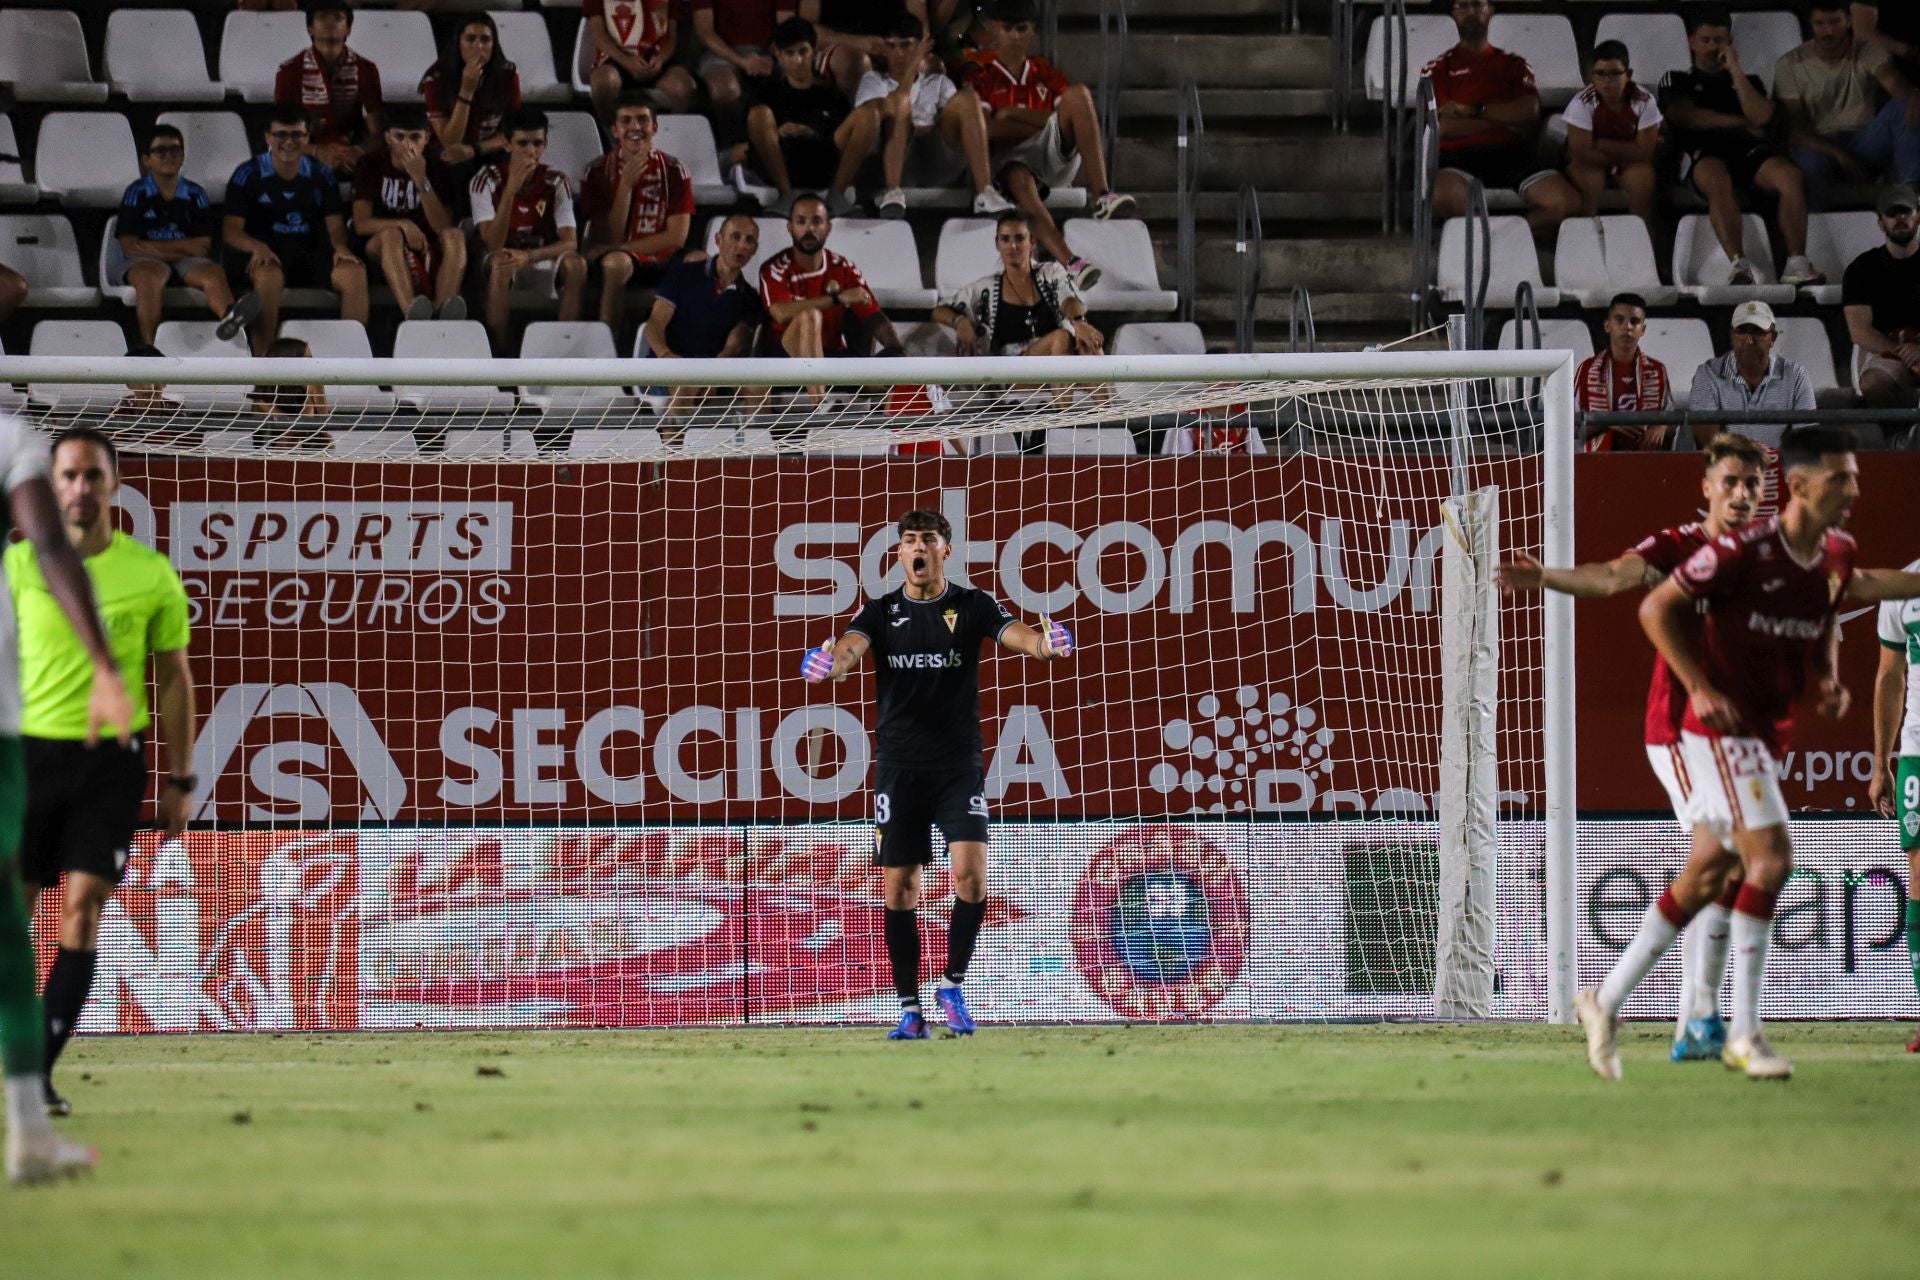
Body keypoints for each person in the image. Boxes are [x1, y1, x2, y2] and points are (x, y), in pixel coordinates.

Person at [1597, 427, 1920, 1080]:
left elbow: (1836, 599)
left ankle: (1617, 1002)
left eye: (1753, 485)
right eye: (1842, 478)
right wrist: (1698, 686)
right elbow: (1640, 595)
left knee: (1718, 871)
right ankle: (1720, 1024)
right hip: (1697, 730)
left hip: (1754, 733)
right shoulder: (1731, 552)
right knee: (1758, 859)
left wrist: (1826, 674)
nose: (1855, 489)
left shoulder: (1820, 555)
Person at [1498, 434, 1769, 1067]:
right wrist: (1547, 578)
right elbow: (1613, 577)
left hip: (1730, 736)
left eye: (1752, 484)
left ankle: (1691, 1018)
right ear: (1706, 486)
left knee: (1722, 867)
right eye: (1728, 481)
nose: (1740, 494)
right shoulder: (1678, 548)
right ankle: (1688, 1013)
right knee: (1721, 855)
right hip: (1676, 731)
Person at [797, 508, 1073, 1038]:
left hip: (956, 765)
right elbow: (850, 648)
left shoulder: (970, 606)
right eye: (907, 541)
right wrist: (828, 663)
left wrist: (1042, 645)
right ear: (899, 554)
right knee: (900, 889)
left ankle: (952, 982)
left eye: (926, 539)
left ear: (945, 550)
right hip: (900, 769)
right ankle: (910, 1007)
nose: (916, 548)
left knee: (970, 877)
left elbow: (1014, 633)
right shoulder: (880, 612)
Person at [10, 428, 194, 1119]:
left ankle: (38, 1075)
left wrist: (182, 779)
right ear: (51, 486)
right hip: (29, 755)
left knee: (83, 909)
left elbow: (174, 678)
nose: (80, 489)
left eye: (92, 476)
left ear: (115, 484)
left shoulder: (150, 574)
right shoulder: (19, 568)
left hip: (110, 765)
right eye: (68, 476)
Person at [0, 411, 134, 1184]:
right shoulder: (12, 443)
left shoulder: (147, 570)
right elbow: (47, 545)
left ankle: (29, 1122)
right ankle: (26, 1133)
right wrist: (103, 662)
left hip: (77, 758)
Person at [953, 0, 1130, 288]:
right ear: (996, 29)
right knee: (1021, 180)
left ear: (1032, 31)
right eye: (1008, 28)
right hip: (1008, 160)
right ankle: (1071, 262)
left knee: (1080, 95)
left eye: (1021, 29)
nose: (1014, 36)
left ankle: (1102, 195)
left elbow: (1070, 116)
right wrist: (1039, 121)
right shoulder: (981, 76)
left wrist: (1015, 112)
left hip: (1049, 153)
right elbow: (988, 130)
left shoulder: (1045, 73)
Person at [1660, 7, 1818, 287]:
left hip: (1747, 153)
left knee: (1789, 176)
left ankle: (1797, 263)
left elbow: (1762, 118)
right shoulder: (1676, 79)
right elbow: (1686, 117)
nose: (1712, 47)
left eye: (1719, 40)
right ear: (1691, 42)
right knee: (1716, 176)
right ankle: (1739, 264)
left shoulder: (1750, 81)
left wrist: (1735, 70)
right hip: (1702, 155)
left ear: (1729, 42)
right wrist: (1739, 121)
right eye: (1706, 40)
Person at [1422, 0, 1580, 236]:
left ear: (1491, 11)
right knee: (1441, 196)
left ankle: (1501, 240)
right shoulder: (1438, 68)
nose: (1471, 12)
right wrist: (1503, 119)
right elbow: (1443, 127)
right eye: (1462, 6)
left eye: (1478, 4)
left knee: (1567, 203)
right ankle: (1489, 243)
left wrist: (1473, 110)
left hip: (1512, 153)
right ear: (1452, 14)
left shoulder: (1513, 64)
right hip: (1459, 157)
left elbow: (1528, 113)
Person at [222, 107, 369, 354]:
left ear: (307, 137)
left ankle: (349, 366)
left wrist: (340, 247)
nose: (289, 142)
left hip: (310, 253)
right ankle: (264, 372)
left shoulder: (322, 174)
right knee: (268, 277)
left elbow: (335, 227)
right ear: (268, 137)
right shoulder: (248, 174)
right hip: (267, 254)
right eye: (281, 135)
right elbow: (231, 232)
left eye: (296, 135)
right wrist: (257, 247)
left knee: (354, 273)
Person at [113, 124, 256, 347]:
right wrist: (181, 247)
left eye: (175, 150)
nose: (168, 155)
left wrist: (156, 248)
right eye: (161, 151)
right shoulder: (136, 192)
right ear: (146, 160)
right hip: (144, 263)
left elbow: (202, 247)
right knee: (150, 276)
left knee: (213, 273)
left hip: (184, 261)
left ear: (182, 157)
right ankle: (151, 349)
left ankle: (233, 324)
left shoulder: (195, 193)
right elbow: (130, 247)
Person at [855, 11, 1008, 219]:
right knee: (899, 103)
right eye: (891, 46)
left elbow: (953, 126)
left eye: (906, 45)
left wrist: (932, 127)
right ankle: (892, 193)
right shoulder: (873, 80)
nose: (898, 54)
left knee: (968, 99)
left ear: (920, 47)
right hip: (893, 157)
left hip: (934, 159)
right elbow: (872, 128)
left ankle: (985, 193)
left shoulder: (937, 82)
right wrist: (911, 70)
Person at [758, 194, 906, 403]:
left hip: (830, 358)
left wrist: (897, 351)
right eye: (801, 222)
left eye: (816, 221)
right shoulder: (775, 268)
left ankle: (895, 433)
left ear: (828, 228)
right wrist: (836, 299)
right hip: (785, 362)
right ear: (790, 228)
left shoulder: (843, 267)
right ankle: (821, 406)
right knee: (809, 317)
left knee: (890, 380)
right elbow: (780, 313)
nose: (809, 229)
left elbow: (873, 316)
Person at [1777, 2, 1920, 211]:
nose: (1828, 31)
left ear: (1849, 22)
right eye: (1820, 23)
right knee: (1807, 158)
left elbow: (1898, 89)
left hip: (1864, 140)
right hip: (1821, 144)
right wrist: (1840, 154)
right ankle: (1821, 224)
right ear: (1811, 25)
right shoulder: (1790, 64)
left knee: (1902, 108)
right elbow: (1796, 131)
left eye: (1835, 22)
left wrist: (1914, 96)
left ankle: (1911, 200)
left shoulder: (1868, 52)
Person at [471, 109, 588, 350]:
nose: (531, 151)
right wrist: (511, 190)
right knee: (500, 263)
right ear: (506, 143)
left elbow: (570, 242)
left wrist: (529, 256)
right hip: (502, 256)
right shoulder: (485, 179)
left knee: (577, 265)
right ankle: (498, 354)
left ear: (545, 144)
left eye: (537, 143)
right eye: (522, 143)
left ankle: (563, 351)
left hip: (539, 255)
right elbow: (492, 243)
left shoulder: (556, 180)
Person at [581, 93, 694, 331]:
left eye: (642, 119)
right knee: (616, 264)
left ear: (654, 127)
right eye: (626, 120)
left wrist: (619, 248)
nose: (635, 127)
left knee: (701, 262)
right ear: (614, 130)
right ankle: (608, 349)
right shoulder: (596, 171)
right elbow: (606, 238)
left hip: (661, 257)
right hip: (619, 259)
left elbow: (676, 237)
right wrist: (625, 187)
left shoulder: (675, 169)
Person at [643, 213, 766, 431]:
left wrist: (715, 376)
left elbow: (733, 345)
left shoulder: (750, 297)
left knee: (760, 387)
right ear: (719, 240)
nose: (741, 246)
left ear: (754, 250)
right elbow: (655, 323)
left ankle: (754, 459)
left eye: (749, 241)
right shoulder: (684, 273)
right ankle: (674, 461)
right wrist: (665, 355)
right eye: (735, 237)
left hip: (714, 369)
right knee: (686, 384)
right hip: (669, 365)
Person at [745, 17, 876, 216]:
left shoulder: (832, 94)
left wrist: (812, 133)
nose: (798, 60)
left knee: (868, 115)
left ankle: (837, 196)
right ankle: (786, 196)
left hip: (822, 163)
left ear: (813, 51)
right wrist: (778, 133)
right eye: (790, 53)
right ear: (778, 55)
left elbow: (840, 140)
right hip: (783, 163)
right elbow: (754, 139)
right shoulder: (767, 93)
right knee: (759, 114)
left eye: (803, 51)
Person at [351, 106, 467, 322]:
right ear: (387, 138)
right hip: (383, 246)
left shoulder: (439, 167)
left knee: (456, 236)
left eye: (415, 137)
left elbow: (443, 227)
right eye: (399, 137)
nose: (407, 144)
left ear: (427, 138)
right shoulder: (370, 164)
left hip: (428, 246)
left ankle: (444, 313)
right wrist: (403, 224)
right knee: (391, 235)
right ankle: (413, 314)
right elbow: (361, 223)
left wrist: (420, 179)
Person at [1870, 553, 1920, 1052]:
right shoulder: (1902, 585)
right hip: (1919, 756)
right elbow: (1889, 676)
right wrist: (1881, 760)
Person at [932, 211, 1099, 358]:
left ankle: (1111, 395)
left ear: (1032, 241)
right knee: (1061, 337)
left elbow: (1068, 298)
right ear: (997, 244)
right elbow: (939, 310)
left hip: (1054, 359)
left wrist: (1079, 322)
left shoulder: (1050, 272)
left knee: (1091, 349)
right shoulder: (985, 289)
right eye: (1005, 239)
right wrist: (960, 321)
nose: (1013, 246)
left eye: (1020, 238)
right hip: (1011, 370)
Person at [1687, 300, 1818, 448]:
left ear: (1773, 338)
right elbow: (1708, 443)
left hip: (1777, 466)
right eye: (1742, 331)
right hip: (1727, 464)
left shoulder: (1796, 375)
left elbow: (1807, 438)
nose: (1749, 340)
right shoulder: (1708, 373)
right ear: (1731, 337)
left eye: (1757, 332)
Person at [272, 0, 382, 175]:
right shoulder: (289, 70)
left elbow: (378, 133)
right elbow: (279, 133)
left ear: (348, 29)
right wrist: (317, 151)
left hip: (350, 148)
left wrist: (356, 152)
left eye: (338, 18)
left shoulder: (366, 69)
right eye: (322, 18)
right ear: (310, 29)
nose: (330, 23)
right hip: (306, 150)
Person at [1561, 40, 1661, 225]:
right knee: (1588, 179)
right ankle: (1584, 241)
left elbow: (1645, 152)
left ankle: (1643, 243)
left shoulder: (1645, 100)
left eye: (1615, 73)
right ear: (1592, 76)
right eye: (1600, 74)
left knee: (1644, 177)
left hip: (1628, 165)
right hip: (1592, 164)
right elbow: (1581, 153)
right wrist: (1626, 152)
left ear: (1628, 74)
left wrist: (1599, 143)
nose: (1607, 81)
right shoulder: (1581, 102)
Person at [1842, 185, 1920, 409]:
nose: (1900, 218)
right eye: (1892, 213)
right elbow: (1860, 332)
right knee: (1873, 382)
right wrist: (1906, 354)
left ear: (1918, 216)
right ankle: (1896, 440)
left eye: (1906, 211)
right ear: (1880, 222)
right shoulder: (1862, 269)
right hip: (1888, 352)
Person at [1575, 293, 1677, 450]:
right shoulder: (1587, 369)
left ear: (1642, 330)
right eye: (1619, 320)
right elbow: (1570, 429)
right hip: (1600, 461)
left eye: (1634, 322)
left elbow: (1671, 423)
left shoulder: (1657, 370)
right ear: (1607, 325)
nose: (1627, 327)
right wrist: (1609, 423)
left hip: (1645, 458)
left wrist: (1661, 427)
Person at [421, 13, 522, 170]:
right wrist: (466, 91)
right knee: (452, 161)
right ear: (459, 42)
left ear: (494, 44)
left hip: (488, 148)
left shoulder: (507, 75)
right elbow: (450, 141)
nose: (478, 46)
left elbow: (513, 131)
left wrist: (475, 149)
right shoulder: (436, 80)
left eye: (485, 40)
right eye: (470, 39)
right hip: (447, 150)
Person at [584, 0, 698, 124]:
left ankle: (668, 134)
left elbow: (671, 37)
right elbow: (599, 35)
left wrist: (660, 60)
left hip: (656, 57)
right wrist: (626, 60)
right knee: (603, 82)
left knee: (685, 87)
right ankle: (614, 136)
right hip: (617, 56)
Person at [692, 0, 786, 142]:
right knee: (724, 88)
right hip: (720, 52)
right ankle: (733, 148)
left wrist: (771, 55)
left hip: (768, 51)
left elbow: (787, 28)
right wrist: (742, 61)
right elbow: (705, 32)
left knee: (792, 72)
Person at [249, 336, 331, 450]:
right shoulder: (261, 403)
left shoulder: (310, 389)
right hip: (270, 460)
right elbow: (294, 430)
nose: (313, 364)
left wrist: (314, 392)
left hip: (306, 458)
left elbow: (327, 436)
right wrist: (309, 400)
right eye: (307, 359)